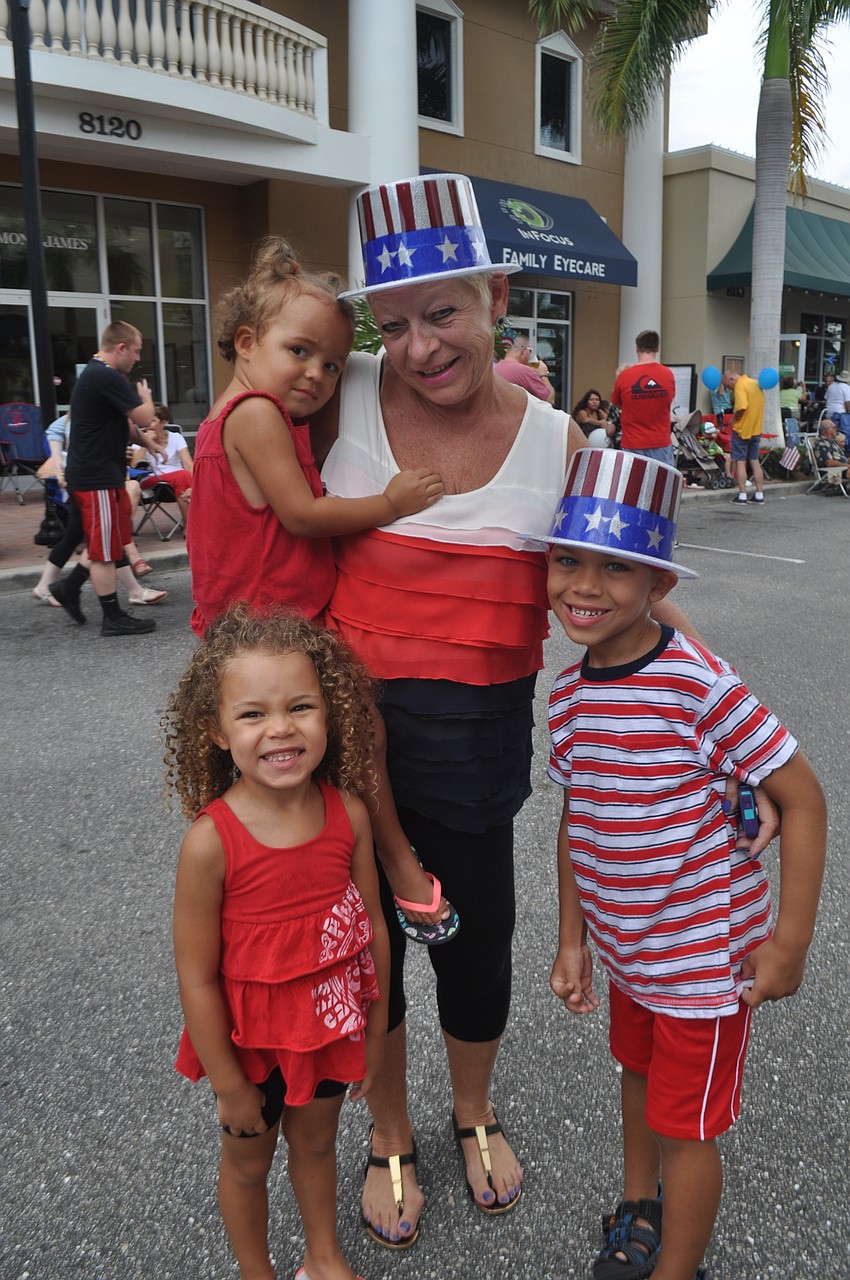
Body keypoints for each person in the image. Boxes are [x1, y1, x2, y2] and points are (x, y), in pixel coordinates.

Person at [311, 173, 723, 1250]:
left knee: (476, 940)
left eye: (443, 312)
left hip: (477, 747)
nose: (417, 347)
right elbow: (237, 463)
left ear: (497, 295)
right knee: (365, 952)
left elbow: (631, 589)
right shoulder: (339, 391)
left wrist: (734, 732)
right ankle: (388, 1129)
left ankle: (473, 1106)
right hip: (339, 749)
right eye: (393, 323)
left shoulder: (556, 442)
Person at [541, 448, 826, 1280]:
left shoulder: (697, 685)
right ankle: (640, 1208)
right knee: (636, 1074)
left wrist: (791, 941)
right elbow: (578, 816)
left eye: (616, 567)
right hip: (630, 953)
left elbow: (804, 798)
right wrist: (572, 938)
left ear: (659, 582)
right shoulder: (568, 697)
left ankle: (676, 1267)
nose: (584, 586)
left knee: (688, 1126)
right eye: (567, 560)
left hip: (703, 963)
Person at [166, 604, 390, 1280]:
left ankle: (323, 1258)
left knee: (317, 1147)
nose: (281, 729)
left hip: (327, 1030)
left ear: (329, 713)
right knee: (247, 1165)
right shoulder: (211, 842)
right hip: (248, 1049)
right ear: (216, 730)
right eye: (252, 714)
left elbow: (373, 931)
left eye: (300, 707)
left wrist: (374, 1030)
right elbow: (196, 976)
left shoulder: (350, 814)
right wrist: (229, 1085)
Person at [187, 236, 443, 640]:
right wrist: (390, 503)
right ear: (247, 342)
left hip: (253, 620)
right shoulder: (257, 412)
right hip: (270, 626)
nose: (315, 374)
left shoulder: (225, 412)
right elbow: (303, 516)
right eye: (299, 351)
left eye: (332, 366)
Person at [48, 324, 168, 635]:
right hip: (96, 477)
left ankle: (68, 588)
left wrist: (150, 444)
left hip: (97, 475)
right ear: (121, 348)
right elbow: (142, 416)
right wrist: (146, 397)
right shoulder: (106, 376)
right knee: (104, 550)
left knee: (106, 540)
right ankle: (112, 617)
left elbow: (126, 424)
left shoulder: (98, 374)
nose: (138, 358)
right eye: (136, 351)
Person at [32, 412, 166, 614]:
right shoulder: (88, 412)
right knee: (106, 535)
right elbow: (143, 417)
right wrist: (59, 466)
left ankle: (49, 586)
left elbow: (55, 432)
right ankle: (130, 591)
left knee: (81, 535)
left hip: (88, 480)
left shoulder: (85, 412)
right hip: (92, 482)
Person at [609, 330, 675, 465]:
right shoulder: (667, 374)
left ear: (637, 348)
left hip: (633, 443)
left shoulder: (624, 376)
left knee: (633, 479)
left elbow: (617, 403)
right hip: (660, 443)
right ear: (657, 348)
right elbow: (669, 400)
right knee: (661, 479)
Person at [130, 401, 193, 528]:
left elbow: (188, 463)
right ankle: (189, 527)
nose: (149, 425)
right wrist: (146, 442)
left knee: (188, 477)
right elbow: (134, 465)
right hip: (152, 481)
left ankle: (191, 524)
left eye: (153, 421)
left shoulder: (176, 437)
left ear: (163, 422)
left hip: (179, 482)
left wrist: (194, 485)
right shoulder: (141, 438)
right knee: (183, 476)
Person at [721, 369, 766, 505]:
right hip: (756, 429)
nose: (730, 389)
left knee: (740, 462)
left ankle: (742, 495)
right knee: (755, 461)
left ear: (731, 379)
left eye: (728, 386)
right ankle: (759, 494)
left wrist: (734, 419)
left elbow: (742, 406)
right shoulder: (755, 383)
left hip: (742, 430)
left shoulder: (740, 385)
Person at [493, 329, 555, 403]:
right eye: (530, 351)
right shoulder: (524, 371)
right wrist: (543, 374)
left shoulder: (495, 368)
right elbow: (550, 399)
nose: (530, 355)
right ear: (523, 350)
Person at [814, 419, 849, 490]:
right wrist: (846, 465)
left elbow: (841, 457)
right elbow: (828, 462)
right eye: (834, 427)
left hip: (843, 467)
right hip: (834, 470)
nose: (836, 429)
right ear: (827, 430)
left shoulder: (832, 442)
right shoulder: (821, 443)